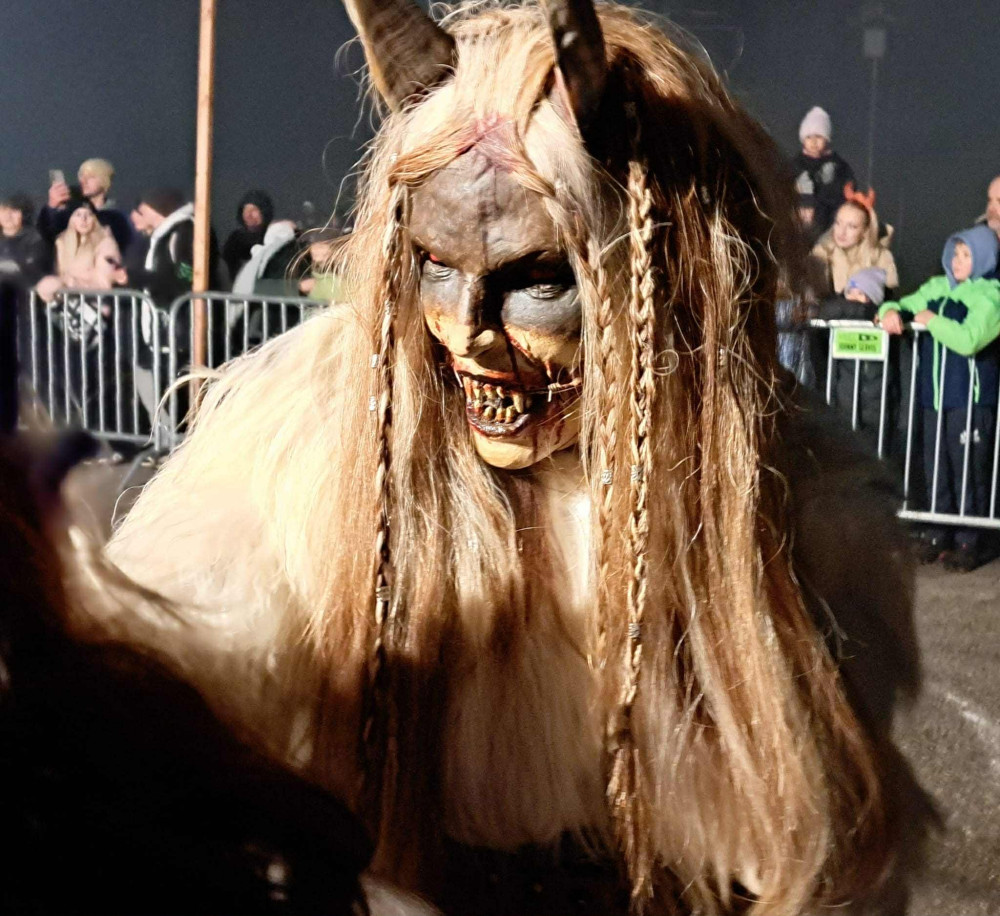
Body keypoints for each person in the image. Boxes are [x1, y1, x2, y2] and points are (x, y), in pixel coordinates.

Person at [97, 3, 922, 914]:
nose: (468, 332)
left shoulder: (785, 497)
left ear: (660, 274)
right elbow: (148, 729)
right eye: (435, 265)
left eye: (536, 278)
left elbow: (819, 842)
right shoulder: (300, 445)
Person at [878, 225, 1000, 571]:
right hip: (934, 397)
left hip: (970, 400)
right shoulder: (937, 287)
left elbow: (970, 339)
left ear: (984, 258)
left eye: (967, 255)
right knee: (936, 468)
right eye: (955, 253)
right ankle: (937, 533)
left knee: (968, 472)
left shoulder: (991, 295)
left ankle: (969, 540)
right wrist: (889, 312)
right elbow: (903, 305)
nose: (958, 261)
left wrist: (931, 320)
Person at [113, 188, 223, 431]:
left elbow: (185, 278)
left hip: (182, 328)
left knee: (184, 392)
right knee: (171, 391)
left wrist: (135, 278)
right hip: (167, 328)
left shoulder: (185, 232)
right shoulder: (165, 235)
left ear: (157, 209)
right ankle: (176, 440)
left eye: (144, 208)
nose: (139, 214)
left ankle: (189, 440)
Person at [37, 158, 133, 255]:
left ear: (105, 180)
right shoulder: (73, 212)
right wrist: (52, 206)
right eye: (82, 176)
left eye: (91, 177)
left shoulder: (117, 218)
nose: (83, 181)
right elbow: (48, 235)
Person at [792, 107, 855, 235]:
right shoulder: (797, 164)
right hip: (801, 221)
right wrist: (800, 190)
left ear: (827, 139)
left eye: (819, 137)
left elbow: (848, 188)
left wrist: (830, 182)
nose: (813, 142)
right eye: (809, 137)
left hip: (829, 221)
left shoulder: (838, 164)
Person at [0, 194, 50, 291]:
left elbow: (33, 268)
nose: (8, 216)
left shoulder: (35, 239)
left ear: (23, 215)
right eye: (3, 210)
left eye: (14, 211)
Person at [222, 190, 274, 282]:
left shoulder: (272, 237)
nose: (248, 214)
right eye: (245, 210)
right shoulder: (235, 239)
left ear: (264, 212)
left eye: (254, 210)